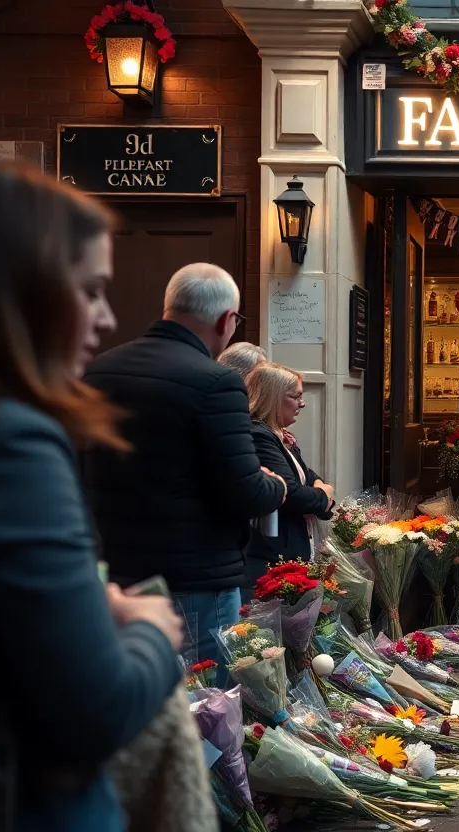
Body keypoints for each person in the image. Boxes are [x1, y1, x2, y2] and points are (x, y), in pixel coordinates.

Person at [0, 161, 184, 829]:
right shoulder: (7, 443)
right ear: (21, 296)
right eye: (89, 291)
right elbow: (95, 713)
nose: (108, 318)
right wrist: (150, 630)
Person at [83, 263, 287, 687]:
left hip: (114, 575)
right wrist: (277, 484)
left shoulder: (100, 369)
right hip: (195, 578)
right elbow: (245, 490)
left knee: (136, 702)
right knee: (207, 710)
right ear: (225, 320)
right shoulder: (216, 383)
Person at [244, 363, 335, 591]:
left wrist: (319, 489)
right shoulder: (259, 435)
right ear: (273, 398)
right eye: (295, 397)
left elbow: (308, 475)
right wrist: (324, 496)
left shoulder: (277, 434)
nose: (302, 404)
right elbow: (292, 492)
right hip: (272, 556)